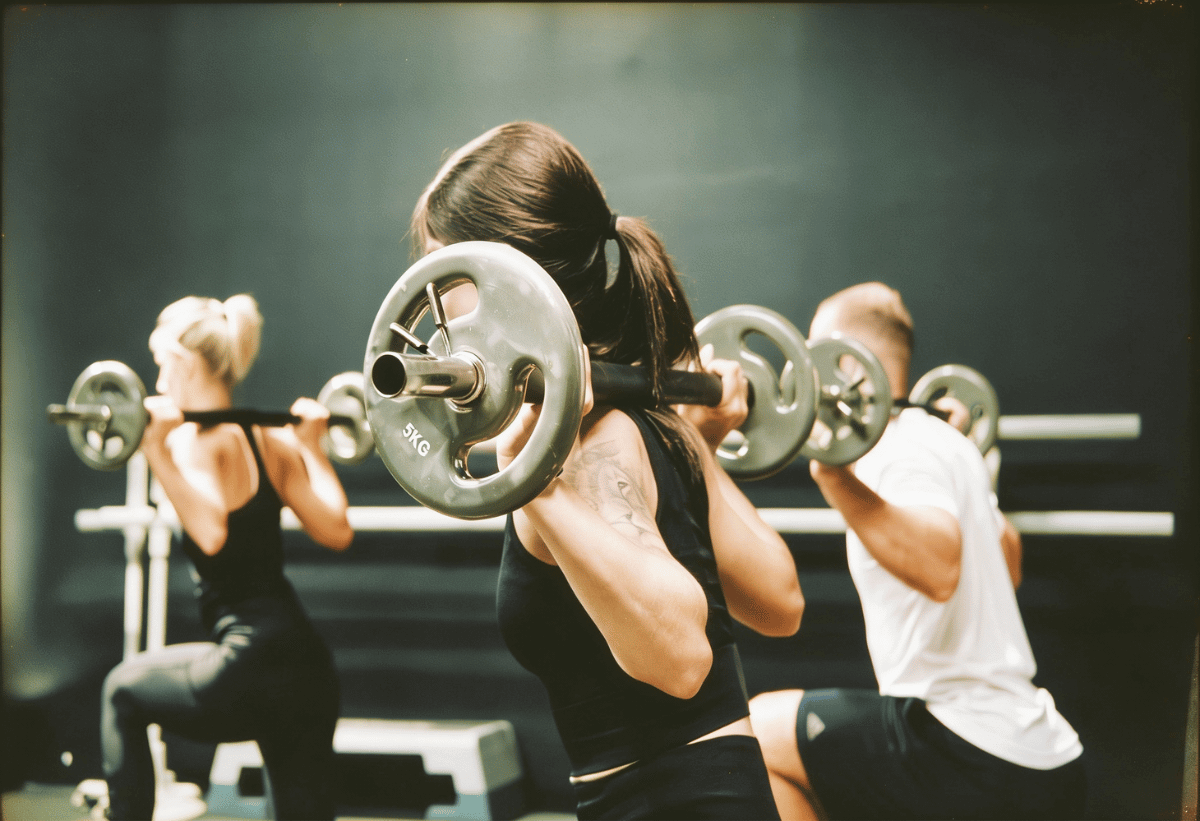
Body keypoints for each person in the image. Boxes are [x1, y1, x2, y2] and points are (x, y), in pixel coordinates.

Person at [410, 121, 806, 820]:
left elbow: (684, 659)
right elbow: (778, 603)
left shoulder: (590, 445)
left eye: (451, 273)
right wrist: (702, 446)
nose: (435, 308)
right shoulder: (659, 422)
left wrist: (535, 491)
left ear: (514, 274)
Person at [748, 282, 1086, 820]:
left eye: (815, 354)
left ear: (847, 364)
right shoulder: (948, 444)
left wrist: (831, 476)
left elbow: (939, 570)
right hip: (1039, 755)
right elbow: (1010, 568)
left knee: (757, 735)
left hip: (965, 745)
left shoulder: (897, 447)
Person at [99, 294, 354, 821]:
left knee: (123, 689)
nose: (157, 377)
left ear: (186, 364)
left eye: (161, 361)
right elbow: (337, 529)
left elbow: (211, 532)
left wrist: (154, 451)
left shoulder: (195, 441)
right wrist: (312, 446)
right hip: (306, 669)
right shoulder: (270, 436)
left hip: (246, 663)